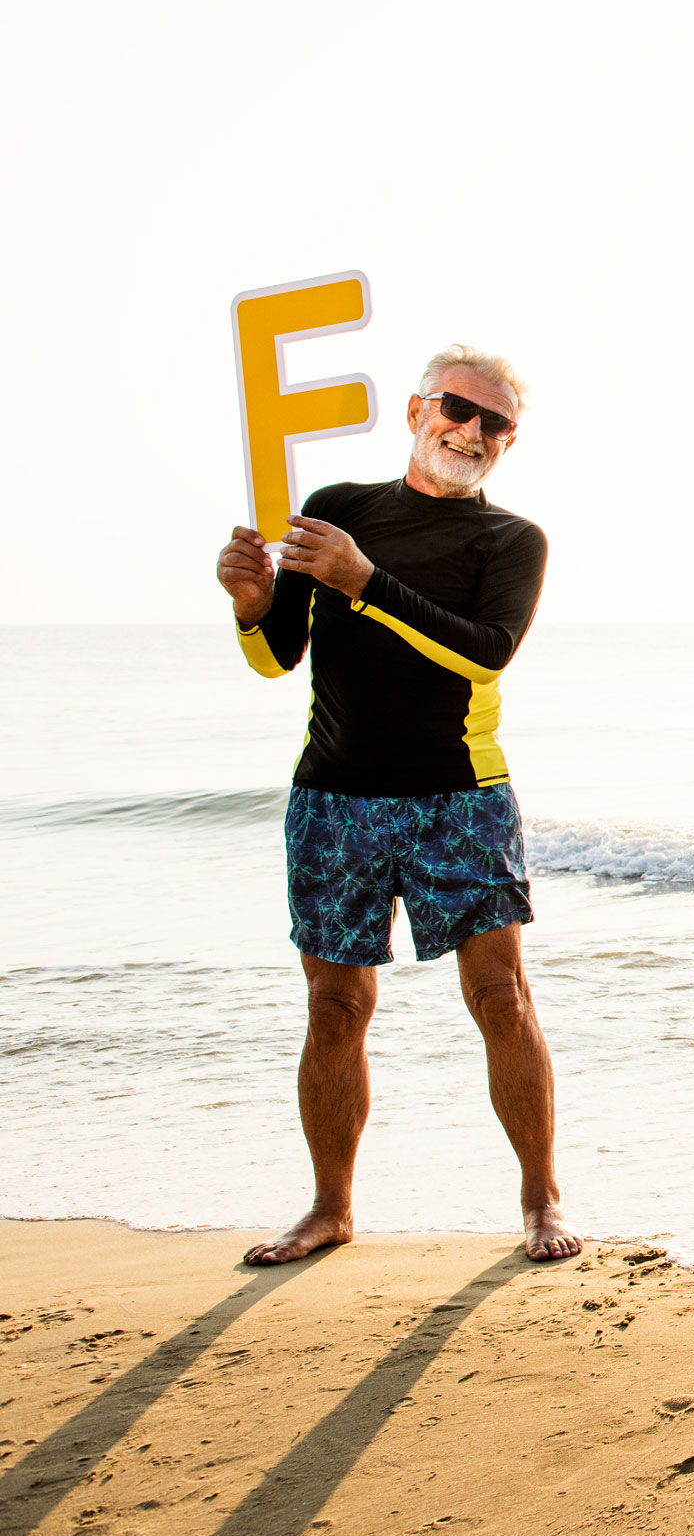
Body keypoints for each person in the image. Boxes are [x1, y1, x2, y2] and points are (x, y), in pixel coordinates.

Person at [213, 346, 578, 1264]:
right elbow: (278, 657)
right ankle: (329, 1208)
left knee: (500, 996)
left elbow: (483, 652)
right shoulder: (338, 510)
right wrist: (253, 602)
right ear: (419, 409)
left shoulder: (511, 541)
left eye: (496, 424)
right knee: (334, 1007)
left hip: (461, 798)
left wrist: (363, 583)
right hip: (334, 796)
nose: (475, 432)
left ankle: (543, 1199)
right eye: (460, 409)